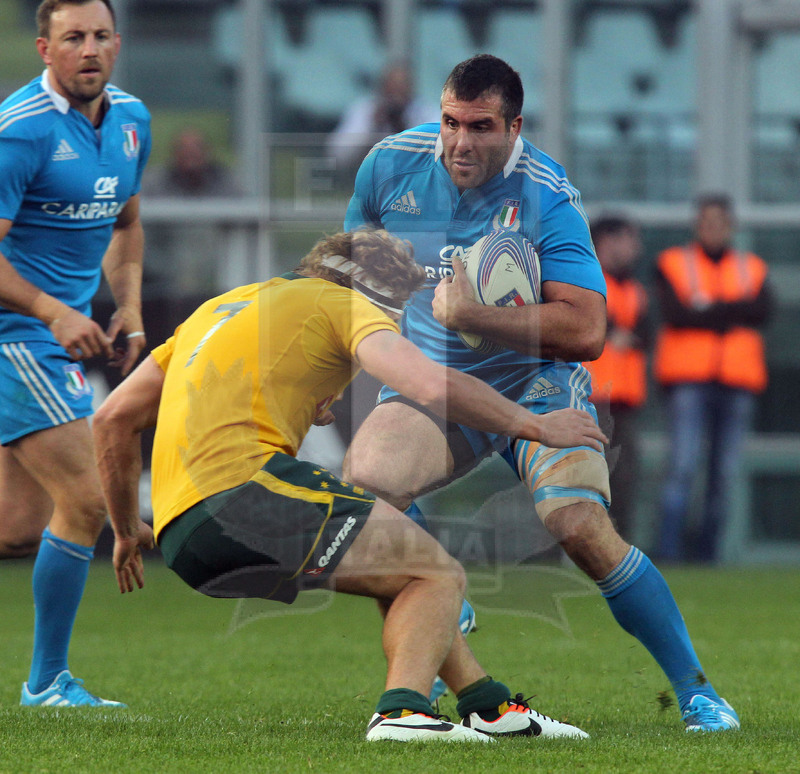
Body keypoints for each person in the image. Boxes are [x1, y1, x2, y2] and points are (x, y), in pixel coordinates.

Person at [342, 54, 740, 732]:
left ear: (515, 126)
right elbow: (351, 284)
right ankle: (462, 666)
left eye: (481, 126)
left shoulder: (548, 194)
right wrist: (332, 374)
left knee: (580, 527)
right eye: (449, 122)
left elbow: (587, 329)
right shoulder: (387, 167)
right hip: (439, 388)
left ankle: (698, 692)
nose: (460, 142)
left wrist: (475, 317)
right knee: (367, 486)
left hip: (537, 384)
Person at [92, 229, 605, 742]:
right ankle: (403, 714)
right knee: (436, 575)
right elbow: (429, 384)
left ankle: (486, 705)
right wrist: (536, 425)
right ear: (375, 290)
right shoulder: (343, 302)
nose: (395, 322)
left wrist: (123, 529)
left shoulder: (220, 308)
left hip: (182, 533)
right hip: (246, 493)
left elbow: (112, 419)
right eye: (396, 309)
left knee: (406, 569)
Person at [0, 0, 150, 707]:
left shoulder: (132, 123)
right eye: (72, 38)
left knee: (18, 527)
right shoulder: (21, 132)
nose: (88, 49)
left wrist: (127, 304)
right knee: (88, 499)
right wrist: (53, 310)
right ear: (44, 48)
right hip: (13, 334)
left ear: (116, 43)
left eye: (99, 36)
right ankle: (47, 683)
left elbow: (126, 220)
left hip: (48, 334)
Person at [654, 194, 772, 563]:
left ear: (731, 226)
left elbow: (763, 311)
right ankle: (669, 552)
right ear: (696, 225)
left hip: (737, 381)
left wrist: (708, 309)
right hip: (689, 380)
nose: (713, 229)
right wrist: (732, 312)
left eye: (719, 222)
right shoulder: (673, 263)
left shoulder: (751, 266)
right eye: (706, 221)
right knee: (683, 466)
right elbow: (676, 314)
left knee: (723, 474)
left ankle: (708, 555)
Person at [585, 215, 650, 542]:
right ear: (607, 241)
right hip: (589, 397)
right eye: (629, 239)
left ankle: (619, 554)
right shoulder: (586, 279)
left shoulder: (634, 289)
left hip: (625, 399)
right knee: (577, 478)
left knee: (624, 480)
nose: (635, 248)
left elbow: (647, 334)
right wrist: (613, 332)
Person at [327, 62, 438, 176]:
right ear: (383, 87)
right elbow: (337, 154)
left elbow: (440, 151)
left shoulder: (424, 112)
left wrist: (407, 130)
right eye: (393, 88)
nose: (397, 97)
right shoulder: (365, 110)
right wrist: (372, 126)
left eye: (401, 89)